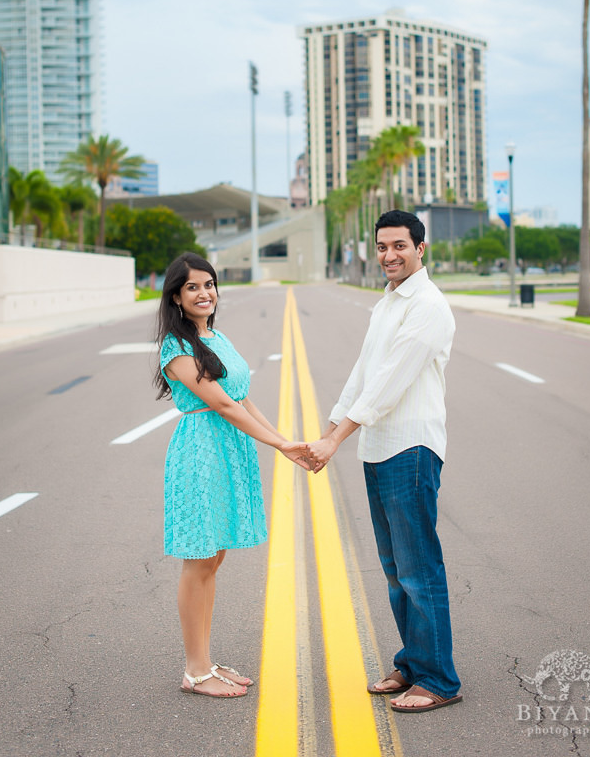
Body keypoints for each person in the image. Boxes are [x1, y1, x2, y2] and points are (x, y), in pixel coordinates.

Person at [307, 211, 462, 713]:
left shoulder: (429, 307)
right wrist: (330, 434)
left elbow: (391, 382)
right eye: (382, 247)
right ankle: (414, 664)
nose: (389, 255)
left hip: (411, 450)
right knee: (396, 571)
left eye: (400, 246)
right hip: (378, 448)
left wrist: (337, 440)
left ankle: (439, 680)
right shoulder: (387, 304)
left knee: (419, 570)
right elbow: (363, 373)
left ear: (421, 249)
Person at [154, 253, 310, 699]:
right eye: (192, 287)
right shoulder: (175, 347)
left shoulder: (217, 336)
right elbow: (221, 405)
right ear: (176, 297)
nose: (204, 293)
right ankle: (195, 670)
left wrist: (285, 441)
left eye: (209, 284)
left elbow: (242, 397)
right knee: (199, 558)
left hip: (231, 449)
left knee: (214, 559)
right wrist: (280, 446)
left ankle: (204, 660)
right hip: (203, 451)